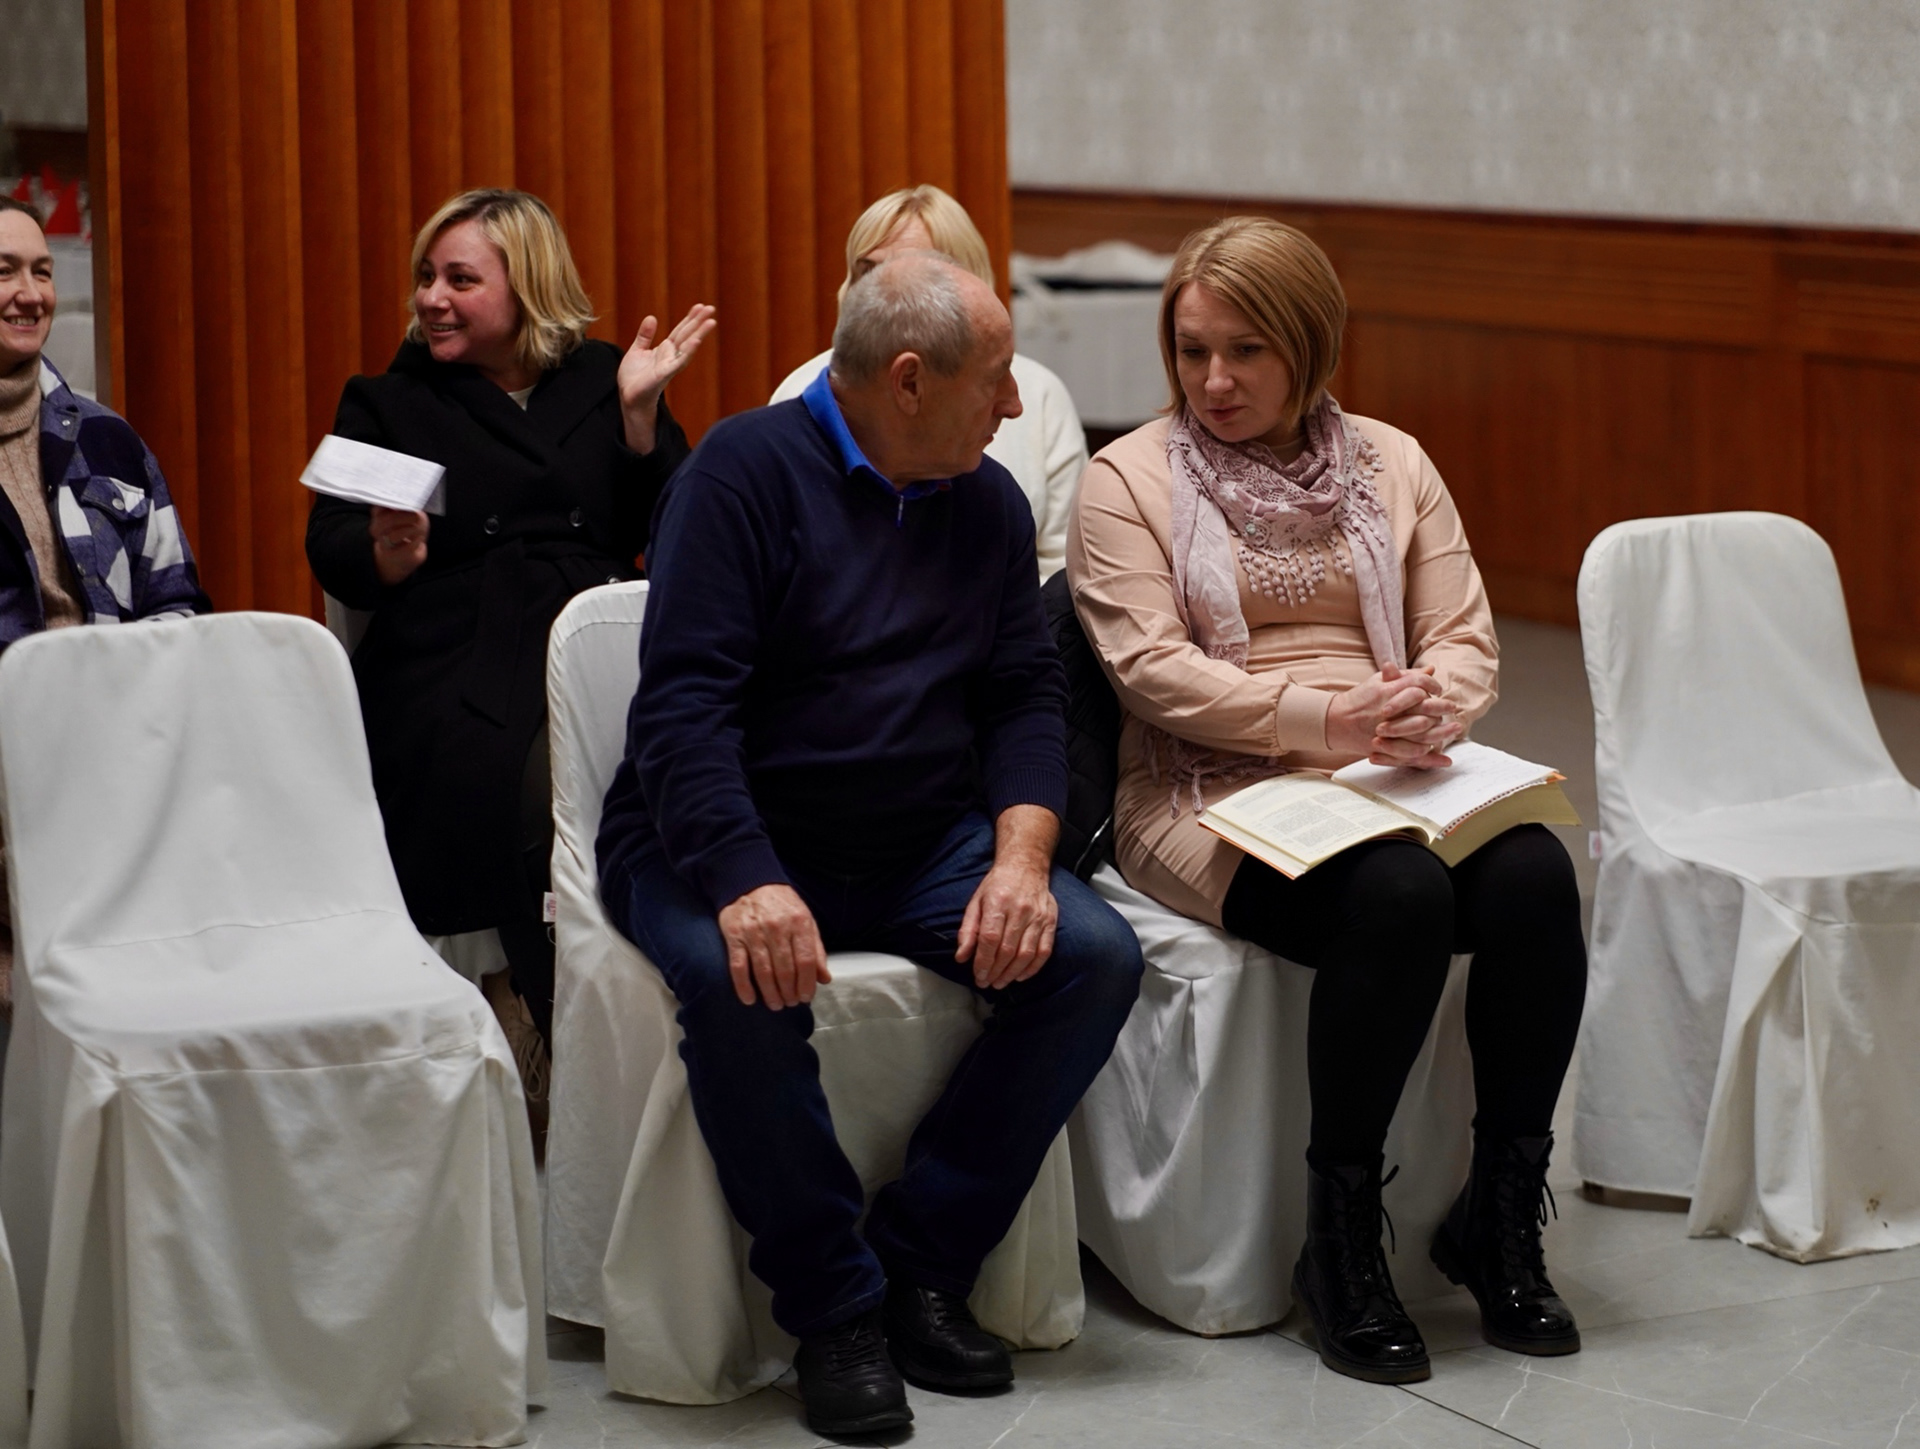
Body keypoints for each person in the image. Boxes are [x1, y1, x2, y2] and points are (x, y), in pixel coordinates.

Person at [597, 251, 1143, 1438]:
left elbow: (1024, 696)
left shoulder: (986, 505)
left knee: (1094, 958)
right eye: (997, 379)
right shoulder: (739, 476)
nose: (1015, 405)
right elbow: (683, 715)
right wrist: (746, 880)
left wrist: (1021, 857)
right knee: (738, 984)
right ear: (907, 380)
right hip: (722, 832)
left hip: (912, 841)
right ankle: (833, 1311)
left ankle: (920, 1265)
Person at [1067, 217, 1587, 1383]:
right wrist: (1326, 720)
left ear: (1309, 346)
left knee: (1536, 878)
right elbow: (1151, 673)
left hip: (1385, 768)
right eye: (1192, 350)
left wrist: (1427, 709)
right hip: (1203, 792)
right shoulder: (1126, 479)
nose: (1214, 379)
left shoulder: (1393, 462)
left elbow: (1462, 637)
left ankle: (1498, 1214)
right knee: (1398, 898)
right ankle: (1340, 1243)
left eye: (1246, 350)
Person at [305, 188, 714, 1070]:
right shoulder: (388, 400)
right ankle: (556, 1013)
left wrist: (641, 424)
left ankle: (677, 984)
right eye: (426, 277)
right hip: (457, 657)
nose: (431, 299)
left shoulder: (609, 376)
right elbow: (330, 548)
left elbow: (678, 527)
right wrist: (386, 551)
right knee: (531, 782)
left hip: (597, 636)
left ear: (526, 287)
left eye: (460, 280)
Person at [0, 195, 212, 1002]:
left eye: (42, 271)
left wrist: (137, 709)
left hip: (114, 760)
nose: (31, 294)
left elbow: (178, 600)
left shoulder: (106, 439)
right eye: (5, 272)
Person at [770, 185, 1086, 579]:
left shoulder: (1038, 394)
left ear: (970, 284)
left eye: (910, 272)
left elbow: (1063, 566)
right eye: (867, 272)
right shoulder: (803, 391)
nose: (882, 291)